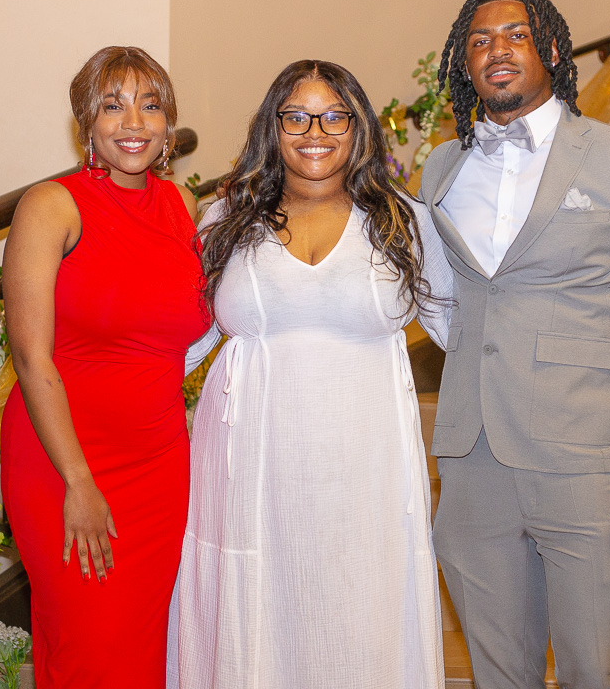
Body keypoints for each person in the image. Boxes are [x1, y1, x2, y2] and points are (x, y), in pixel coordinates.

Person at [419, 0, 610, 689]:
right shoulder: (442, 167)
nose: (497, 50)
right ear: (464, 62)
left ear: (551, 49)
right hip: (472, 461)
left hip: (591, 463)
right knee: (498, 673)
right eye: (480, 40)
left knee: (594, 670)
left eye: (515, 35)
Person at [168, 60, 452, 689]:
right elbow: (183, 342)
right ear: (272, 128)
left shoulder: (404, 221)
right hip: (248, 466)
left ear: (359, 127)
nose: (314, 132)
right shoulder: (226, 220)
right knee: (256, 609)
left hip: (366, 474)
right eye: (295, 116)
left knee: (357, 610)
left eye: (333, 117)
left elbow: (462, 330)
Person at [0, 45, 210, 688]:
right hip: (65, 462)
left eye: (151, 105)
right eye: (113, 106)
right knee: (90, 651)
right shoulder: (51, 205)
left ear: (169, 123)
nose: (134, 123)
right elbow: (31, 357)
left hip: (160, 466)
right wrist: (78, 480)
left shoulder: (180, 206)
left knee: (142, 653)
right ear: (86, 122)